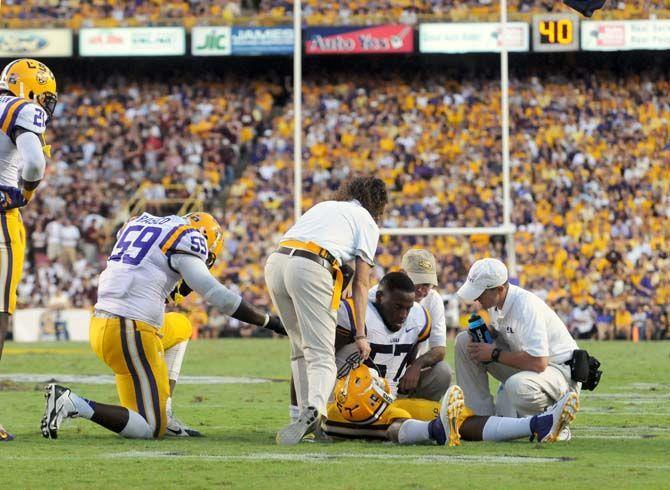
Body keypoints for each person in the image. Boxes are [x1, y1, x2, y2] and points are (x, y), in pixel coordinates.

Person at [40, 211, 285, 440]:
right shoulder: (188, 240)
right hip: (130, 331)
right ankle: (72, 403)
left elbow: (150, 278)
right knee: (149, 428)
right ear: (204, 241)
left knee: (181, 327)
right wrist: (270, 322)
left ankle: (165, 414)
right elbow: (218, 295)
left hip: (107, 325)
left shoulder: (143, 223)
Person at [265, 176, 388, 445]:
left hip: (277, 263)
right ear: (377, 203)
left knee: (299, 348)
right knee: (321, 354)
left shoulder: (324, 207)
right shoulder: (365, 219)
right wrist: (360, 334)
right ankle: (316, 413)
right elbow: (362, 282)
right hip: (311, 266)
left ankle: (301, 416)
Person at [454, 258, 580, 439]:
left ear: (499, 289)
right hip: (534, 371)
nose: (476, 298)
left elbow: (539, 362)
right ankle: (479, 419)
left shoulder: (525, 306)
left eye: (480, 293)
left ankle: (554, 421)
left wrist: (494, 353)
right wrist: (489, 334)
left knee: (517, 386)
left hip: (560, 373)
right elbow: (509, 335)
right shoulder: (496, 303)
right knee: (464, 341)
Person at [0, 58, 58, 442]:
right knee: (0, 312)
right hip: (1, 222)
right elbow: (34, 161)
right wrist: (27, 190)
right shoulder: (20, 107)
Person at [323, 363, 579, 446]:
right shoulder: (389, 413)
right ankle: (437, 430)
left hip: (381, 406)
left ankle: (539, 424)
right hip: (366, 407)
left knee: (463, 419)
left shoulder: (335, 414)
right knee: (460, 421)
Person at [368, 250, 452, 401]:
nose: (421, 289)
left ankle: (417, 411)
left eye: (427, 284)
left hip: (408, 373)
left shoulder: (433, 300)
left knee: (443, 372)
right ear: (402, 273)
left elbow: (439, 350)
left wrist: (417, 365)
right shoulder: (376, 296)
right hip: (373, 372)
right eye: (417, 281)